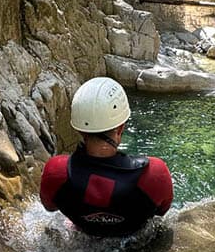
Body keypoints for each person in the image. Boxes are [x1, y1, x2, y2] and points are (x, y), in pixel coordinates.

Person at [39, 76, 173, 237]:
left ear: (79, 129)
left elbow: (50, 207)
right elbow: (161, 210)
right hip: (133, 239)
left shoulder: (56, 171)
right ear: (121, 128)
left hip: (83, 236)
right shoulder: (154, 172)